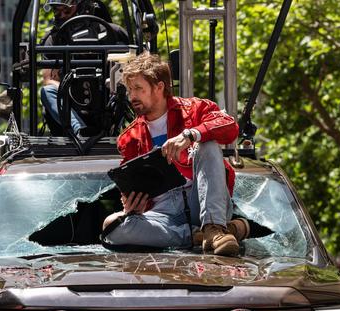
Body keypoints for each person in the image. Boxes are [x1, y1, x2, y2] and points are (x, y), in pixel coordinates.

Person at [101, 52, 252, 257]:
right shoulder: (129, 138)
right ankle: (203, 235)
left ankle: (214, 228)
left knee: (207, 145)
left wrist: (191, 135)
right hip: (163, 214)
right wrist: (132, 205)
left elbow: (230, 127)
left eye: (138, 88)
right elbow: (135, 188)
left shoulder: (195, 108)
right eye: (129, 89)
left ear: (159, 87)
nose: (132, 96)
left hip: (201, 202)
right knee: (112, 227)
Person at [39, 0, 128, 136]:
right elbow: (49, 80)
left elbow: (134, 70)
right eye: (57, 10)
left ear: (83, 7)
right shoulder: (53, 40)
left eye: (67, 10)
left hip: (108, 103)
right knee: (47, 91)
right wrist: (67, 88)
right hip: (70, 107)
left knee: (132, 86)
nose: (62, 15)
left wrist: (114, 85)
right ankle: (80, 130)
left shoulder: (113, 33)